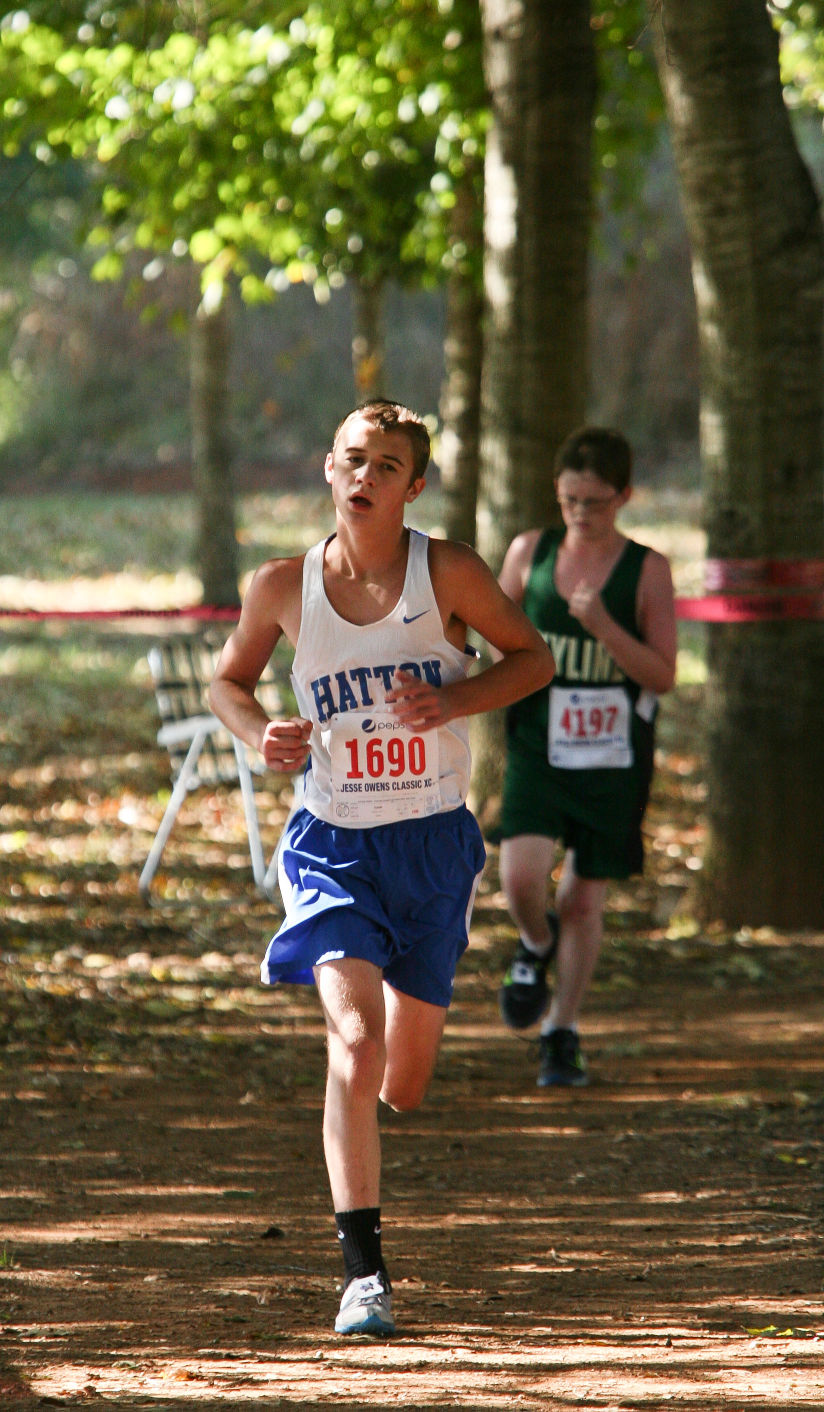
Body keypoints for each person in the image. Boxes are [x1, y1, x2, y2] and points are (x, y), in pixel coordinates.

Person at [209, 399, 554, 1339]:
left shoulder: (447, 574)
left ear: (415, 485)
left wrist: (458, 700)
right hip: (333, 843)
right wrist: (258, 733)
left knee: (402, 1082)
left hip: (434, 844)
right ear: (329, 468)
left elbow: (534, 659)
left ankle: (391, 1065)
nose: (366, 478)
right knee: (353, 1046)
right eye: (354, 460)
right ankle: (363, 1272)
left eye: (388, 466)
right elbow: (227, 680)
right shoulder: (282, 586)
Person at [495, 426, 677, 1087]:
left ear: (625, 496)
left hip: (611, 756)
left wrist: (603, 626)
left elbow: (661, 674)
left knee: (582, 903)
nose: (580, 512)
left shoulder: (647, 569)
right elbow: (490, 636)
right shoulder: (530, 552)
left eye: (595, 501)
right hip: (538, 745)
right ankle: (534, 944)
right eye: (570, 498)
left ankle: (561, 1032)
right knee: (520, 880)